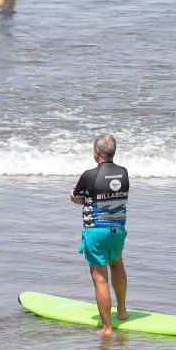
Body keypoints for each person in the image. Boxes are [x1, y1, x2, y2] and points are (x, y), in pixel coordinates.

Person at [70, 134, 129, 335]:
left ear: (96, 153)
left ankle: (106, 328)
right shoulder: (123, 172)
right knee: (117, 263)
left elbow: (77, 197)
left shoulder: (89, 175)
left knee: (100, 278)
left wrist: (73, 195)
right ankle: (121, 312)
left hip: (96, 230)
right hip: (118, 229)